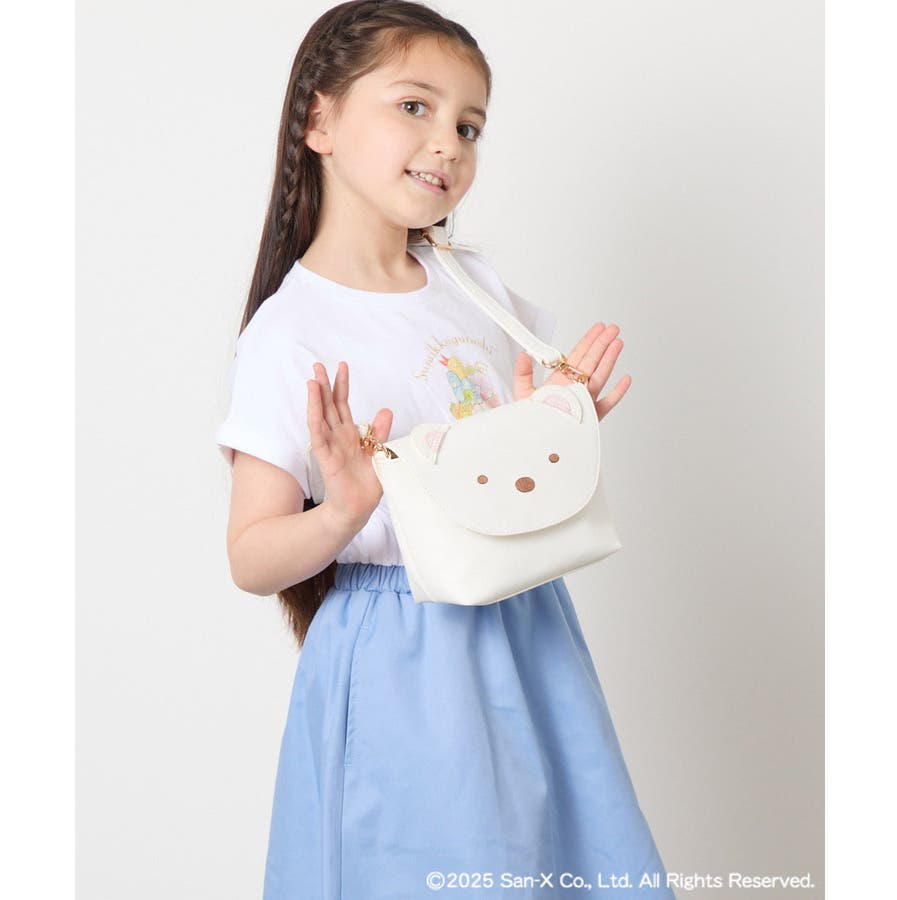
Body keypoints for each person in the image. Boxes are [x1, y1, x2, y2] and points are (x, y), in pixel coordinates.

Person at [214, 2, 676, 897]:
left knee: (562, 862)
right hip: (406, 658)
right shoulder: (292, 331)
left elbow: (493, 471)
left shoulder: (472, 285)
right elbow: (250, 555)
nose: (449, 144)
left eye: (469, 125)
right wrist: (344, 512)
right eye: (414, 106)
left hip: (526, 629)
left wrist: (550, 428)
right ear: (319, 121)